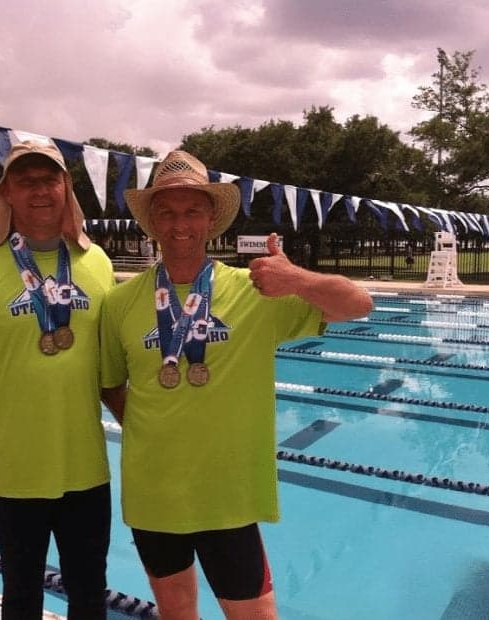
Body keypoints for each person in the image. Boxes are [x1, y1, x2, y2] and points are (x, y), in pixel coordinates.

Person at [100, 150, 374, 619]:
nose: (179, 223)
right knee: (175, 613)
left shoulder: (258, 291)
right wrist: (156, 431)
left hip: (229, 497)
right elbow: (110, 384)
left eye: (192, 211)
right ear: (152, 222)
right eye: (166, 212)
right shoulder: (120, 302)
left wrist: (296, 278)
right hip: (154, 495)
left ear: (211, 219)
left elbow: (359, 305)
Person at [0, 141, 115, 619]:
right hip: (12, 470)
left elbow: (114, 370)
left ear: (66, 188)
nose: (39, 190)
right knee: (21, 596)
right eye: (25, 181)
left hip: (86, 469)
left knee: (91, 594)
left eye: (49, 179)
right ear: (6, 192)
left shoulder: (98, 265)